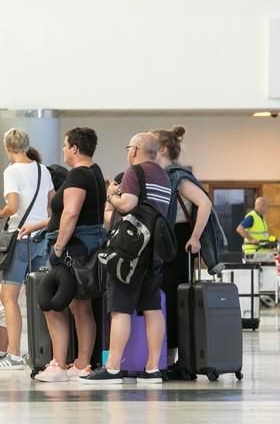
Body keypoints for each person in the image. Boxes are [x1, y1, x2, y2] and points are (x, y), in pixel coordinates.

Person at [81, 132, 171, 385]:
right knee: (152, 309)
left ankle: (112, 368)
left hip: (130, 252)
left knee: (120, 309)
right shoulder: (164, 176)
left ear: (134, 150)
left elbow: (128, 204)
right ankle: (153, 368)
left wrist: (111, 195)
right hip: (154, 250)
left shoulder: (135, 172)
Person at [34, 127, 106, 383]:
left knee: (53, 305)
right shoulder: (95, 172)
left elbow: (70, 214)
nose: (63, 150)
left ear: (75, 148)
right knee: (80, 306)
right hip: (83, 249)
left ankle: (59, 363)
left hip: (71, 251)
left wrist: (57, 249)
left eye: (65, 146)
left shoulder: (78, 175)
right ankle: (82, 363)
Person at [0, 130, 54, 371]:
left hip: (21, 238)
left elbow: (13, 206)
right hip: (41, 238)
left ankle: (13, 353)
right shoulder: (42, 169)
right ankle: (40, 350)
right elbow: (51, 205)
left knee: (8, 297)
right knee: (38, 297)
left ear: (7, 148)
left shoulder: (12, 171)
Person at [152, 126, 214, 372]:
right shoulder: (161, 176)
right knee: (165, 298)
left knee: (174, 297)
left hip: (178, 241)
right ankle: (166, 357)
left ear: (163, 149)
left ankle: (173, 357)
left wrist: (196, 236)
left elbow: (204, 203)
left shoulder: (178, 176)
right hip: (168, 240)